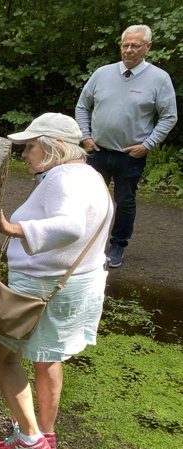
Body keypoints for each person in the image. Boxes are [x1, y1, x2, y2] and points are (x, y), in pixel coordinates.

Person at [0, 113, 112, 449]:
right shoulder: (90, 175)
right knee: (48, 357)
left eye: (29, 146)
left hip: (42, 287)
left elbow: (71, 227)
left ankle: (30, 439)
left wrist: (13, 230)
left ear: (54, 145)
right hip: (76, 282)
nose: (25, 154)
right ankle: (46, 432)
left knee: (0, 356)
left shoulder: (61, 179)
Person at [75, 24, 177, 269]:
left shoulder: (159, 79)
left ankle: (117, 245)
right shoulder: (102, 73)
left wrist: (148, 144)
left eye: (135, 46)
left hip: (129, 155)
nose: (129, 50)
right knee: (89, 198)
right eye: (125, 45)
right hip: (96, 150)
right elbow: (82, 106)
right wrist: (86, 136)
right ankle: (85, 243)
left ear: (148, 48)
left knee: (125, 200)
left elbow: (169, 116)